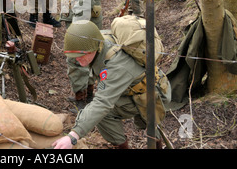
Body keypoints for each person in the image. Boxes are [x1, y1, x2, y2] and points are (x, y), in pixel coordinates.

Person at [52, 20, 171, 149]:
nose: (77, 59)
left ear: (94, 48)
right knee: (100, 114)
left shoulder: (116, 64)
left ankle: (156, 143)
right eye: (74, 55)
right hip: (129, 89)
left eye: (81, 55)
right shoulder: (99, 41)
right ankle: (122, 146)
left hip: (151, 94)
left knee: (103, 113)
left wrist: (73, 136)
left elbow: (103, 103)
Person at [60, 0, 103, 113]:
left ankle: (82, 102)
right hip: (81, 21)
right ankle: (87, 94)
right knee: (86, 58)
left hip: (82, 23)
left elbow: (85, 1)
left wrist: (77, 30)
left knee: (77, 59)